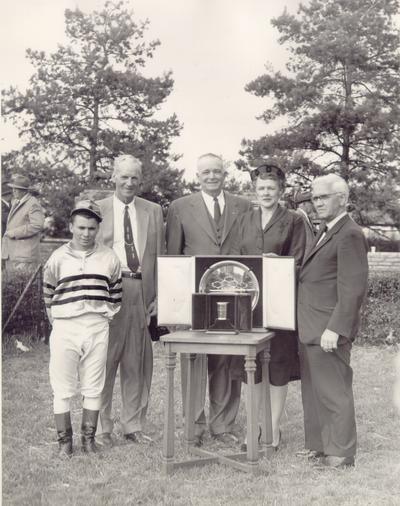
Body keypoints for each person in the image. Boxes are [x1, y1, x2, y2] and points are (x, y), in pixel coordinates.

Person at [166, 153, 251, 446]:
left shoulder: (243, 205)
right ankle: (194, 426)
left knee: (228, 360)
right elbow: (173, 258)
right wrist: (174, 304)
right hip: (194, 297)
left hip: (233, 294)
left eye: (217, 171)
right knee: (193, 358)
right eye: (206, 172)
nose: (212, 176)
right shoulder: (179, 207)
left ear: (224, 174)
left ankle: (223, 424)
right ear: (197, 176)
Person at [231, 164, 306, 450]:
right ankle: (255, 429)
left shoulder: (294, 220)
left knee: (277, 365)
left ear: (281, 191)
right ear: (255, 190)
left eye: (271, 188)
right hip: (249, 304)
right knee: (252, 367)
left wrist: (279, 262)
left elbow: (299, 259)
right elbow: (236, 258)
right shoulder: (244, 220)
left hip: (280, 304)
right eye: (261, 188)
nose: (266, 193)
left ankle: (273, 431)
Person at [297, 174, 368, 468]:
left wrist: (335, 329)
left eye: (324, 197)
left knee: (333, 391)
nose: (318, 203)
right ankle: (319, 447)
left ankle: (340, 453)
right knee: (314, 392)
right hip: (311, 327)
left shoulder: (349, 233)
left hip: (328, 330)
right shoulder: (326, 230)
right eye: (315, 198)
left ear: (343, 199)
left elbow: (353, 289)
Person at [43, 200, 122, 457]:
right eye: (80, 227)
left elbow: (115, 294)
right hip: (66, 325)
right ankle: (65, 443)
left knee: (93, 385)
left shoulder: (109, 257)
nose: (85, 234)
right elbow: (48, 293)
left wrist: (102, 317)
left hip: (96, 325)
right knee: (63, 386)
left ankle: (88, 440)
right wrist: (59, 320)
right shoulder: (57, 257)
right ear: (71, 226)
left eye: (91, 228)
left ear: (98, 228)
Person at [96, 154, 165, 446]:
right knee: (104, 359)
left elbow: (161, 255)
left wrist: (159, 295)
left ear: (141, 180)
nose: (129, 182)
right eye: (123, 176)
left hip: (140, 290)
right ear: (113, 177)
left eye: (135, 177)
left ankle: (133, 425)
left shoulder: (153, 211)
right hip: (108, 290)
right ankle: (101, 427)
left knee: (137, 361)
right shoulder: (96, 209)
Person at [2, 174, 45, 271]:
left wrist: (14, 233)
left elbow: (37, 225)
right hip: (14, 255)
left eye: (16, 189)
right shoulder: (17, 202)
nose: (13, 191)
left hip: (24, 257)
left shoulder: (32, 203)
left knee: (23, 285)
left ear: (24, 191)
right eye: (13, 188)